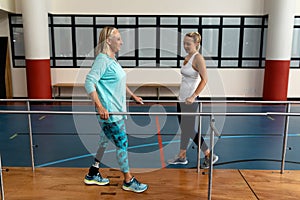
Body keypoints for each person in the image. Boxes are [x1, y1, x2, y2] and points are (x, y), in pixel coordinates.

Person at [84, 26, 148, 193]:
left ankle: (93, 172)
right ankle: (128, 180)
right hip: (110, 112)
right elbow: (89, 82)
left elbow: (120, 82)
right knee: (122, 144)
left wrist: (133, 96)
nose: (122, 42)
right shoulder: (102, 59)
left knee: (104, 141)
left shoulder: (112, 60)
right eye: (118, 39)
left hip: (115, 110)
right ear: (108, 41)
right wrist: (100, 106)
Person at [168, 32, 219, 168]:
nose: (185, 46)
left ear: (197, 44)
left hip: (190, 101)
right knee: (184, 129)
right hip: (181, 99)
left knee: (189, 129)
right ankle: (182, 156)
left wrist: (193, 96)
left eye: (188, 44)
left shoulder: (198, 58)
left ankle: (209, 154)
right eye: (184, 43)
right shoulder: (187, 57)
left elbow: (205, 79)